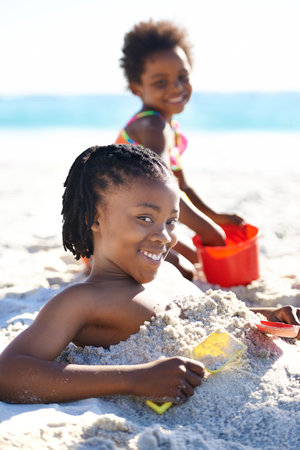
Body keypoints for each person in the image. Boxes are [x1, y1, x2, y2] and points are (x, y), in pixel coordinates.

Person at [0, 144, 298, 405]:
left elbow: (200, 317)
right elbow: (10, 373)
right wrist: (134, 379)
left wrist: (264, 315)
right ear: (94, 218)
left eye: (171, 221)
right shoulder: (83, 299)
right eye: (145, 218)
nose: (164, 236)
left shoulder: (167, 272)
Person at [116, 19, 245, 278]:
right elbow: (164, 189)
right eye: (160, 82)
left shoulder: (167, 126)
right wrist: (209, 231)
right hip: (117, 232)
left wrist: (215, 216)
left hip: (140, 225)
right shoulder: (151, 126)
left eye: (182, 77)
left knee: (196, 259)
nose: (176, 87)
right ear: (136, 88)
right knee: (185, 271)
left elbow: (181, 187)